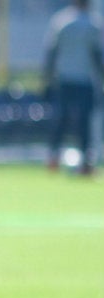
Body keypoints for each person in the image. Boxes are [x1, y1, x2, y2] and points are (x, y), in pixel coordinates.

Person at [43, 0, 104, 176]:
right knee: (83, 122)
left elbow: (52, 51)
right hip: (84, 79)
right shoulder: (93, 23)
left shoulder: (61, 20)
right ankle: (85, 162)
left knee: (60, 119)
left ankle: (53, 158)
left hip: (63, 78)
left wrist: (47, 77)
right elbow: (96, 54)